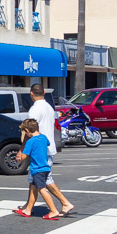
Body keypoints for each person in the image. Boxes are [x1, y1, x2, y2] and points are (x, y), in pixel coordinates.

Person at [25, 83, 76, 217]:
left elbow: (30, 130)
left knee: (44, 180)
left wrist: (22, 149)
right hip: (48, 146)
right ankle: (28, 207)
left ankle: (64, 203)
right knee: (34, 179)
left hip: (40, 150)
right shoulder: (49, 107)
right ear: (44, 93)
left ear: (31, 94)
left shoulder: (34, 110)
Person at [14, 119, 63, 220]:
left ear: (27, 130)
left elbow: (23, 157)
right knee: (33, 188)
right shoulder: (43, 137)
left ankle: (53, 211)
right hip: (45, 167)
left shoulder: (30, 142)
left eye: (24, 132)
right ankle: (28, 209)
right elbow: (48, 143)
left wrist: (19, 157)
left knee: (42, 190)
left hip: (37, 169)